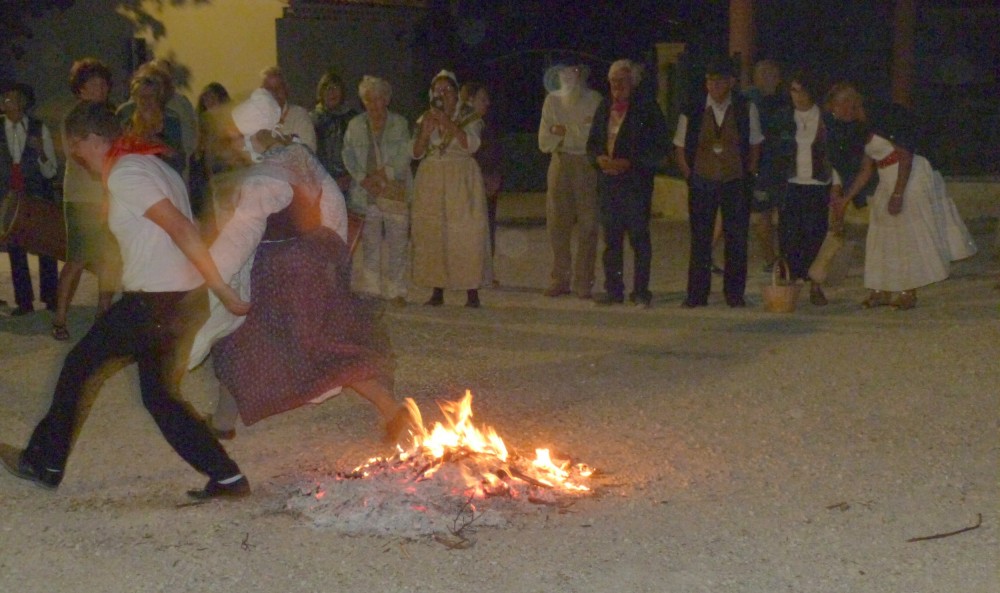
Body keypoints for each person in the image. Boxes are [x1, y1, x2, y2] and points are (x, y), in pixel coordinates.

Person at [0, 101, 251, 500]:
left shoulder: (128, 173)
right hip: (178, 298)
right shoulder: (150, 166)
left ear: (90, 139)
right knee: (160, 396)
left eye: (75, 146)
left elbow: (183, 228)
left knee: (80, 366)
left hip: (155, 302)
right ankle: (227, 477)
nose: (75, 156)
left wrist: (222, 288)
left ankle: (43, 462)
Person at [192, 89, 411, 442]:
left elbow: (239, 238)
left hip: (281, 273)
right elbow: (334, 203)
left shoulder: (263, 179)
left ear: (249, 137)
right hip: (313, 262)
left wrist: (207, 275)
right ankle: (222, 420)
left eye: (236, 138)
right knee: (269, 341)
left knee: (296, 345)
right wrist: (333, 253)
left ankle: (391, 410)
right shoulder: (299, 155)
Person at [830, 83, 976, 310]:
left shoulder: (884, 115)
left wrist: (898, 193)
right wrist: (845, 199)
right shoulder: (861, 127)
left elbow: (906, 154)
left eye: (836, 107)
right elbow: (866, 169)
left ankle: (909, 291)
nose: (835, 114)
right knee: (880, 235)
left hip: (910, 176)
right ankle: (881, 289)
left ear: (848, 102)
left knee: (908, 234)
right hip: (887, 176)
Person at [674, 56, 763, 308]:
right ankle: (696, 295)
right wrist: (689, 175)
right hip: (702, 181)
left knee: (736, 239)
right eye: (710, 81)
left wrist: (750, 173)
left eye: (719, 81)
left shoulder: (746, 108)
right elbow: (679, 145)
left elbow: (756, 143)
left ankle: (734, 295)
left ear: (731, 82)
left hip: (735, 181)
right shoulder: (692, 107)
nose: (713, 87)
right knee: (700, 240)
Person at [586, 59, 669, 308]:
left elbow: (659, 149)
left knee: (639, 240)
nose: (616, 86)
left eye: (621, 81)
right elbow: (592, 144)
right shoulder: (604, 106)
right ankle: (614, 290)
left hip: (635, 185)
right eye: (612, 81)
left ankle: (641, 291)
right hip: (608, 185)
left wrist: (630, 163)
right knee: (611, 241)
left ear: (632, 82)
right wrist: (598, 160)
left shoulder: (647, 109)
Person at [51, 58, 121, 341]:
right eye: (93, 83)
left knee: (110, 256)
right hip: (82, 196)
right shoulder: (74, 117)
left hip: (111, 194)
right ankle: (60, 318)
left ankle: (103, 311)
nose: (100, 88)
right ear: (80, 89)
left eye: (104, 83)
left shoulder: (112, 115)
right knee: (77, 258)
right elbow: (75, 154)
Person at [411, 70, 489, 308]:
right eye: (438, 90)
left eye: (447, 90)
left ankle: (471, 289)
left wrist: (449, 124)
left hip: (461, 178)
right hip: (432, 178)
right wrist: (425, 133)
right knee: (435, 233)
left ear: (456, 95)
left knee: (466, 232)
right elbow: (415, 152)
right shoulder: (425, 118)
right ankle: (437, 288)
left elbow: (472, 145)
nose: (442, 94)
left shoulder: (469, 117)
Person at [342, 75, 413, 307]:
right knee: (370, 243)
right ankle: (372, 288)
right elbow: (348, 155)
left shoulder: (400, 123)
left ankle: (397, 290)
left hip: (393, 190)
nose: (374, 104)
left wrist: (383, 175)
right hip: (366, 193)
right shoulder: (355, 125)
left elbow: (405, 153)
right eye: (368, 99)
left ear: (387, 99)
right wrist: (363, 179)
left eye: (378, 99)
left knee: (397, 242)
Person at [537, 64, 601, 299]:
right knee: (557, 223)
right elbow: (544, 140)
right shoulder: (551, 101)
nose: (568, 76)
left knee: (588, 223)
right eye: (563, 72)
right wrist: (574, 131)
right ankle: (559, 278)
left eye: (573, 71)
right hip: (560, 161)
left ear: (582, 73)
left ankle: (584, 281)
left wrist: (563, 130)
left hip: (585, 164)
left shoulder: (594, 100)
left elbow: (592, 136)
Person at [778, 70, 838, 306]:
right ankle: (790, 285)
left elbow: (834, 153)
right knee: (789, 237)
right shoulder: (783, 117)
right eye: (793, 90)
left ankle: (815, 285)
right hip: (791, 184)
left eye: (801, 91)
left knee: (816, 235)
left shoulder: (826, 119)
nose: (797, 96)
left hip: (818, 185)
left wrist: (836, 186)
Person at [1, 82, 59, 317]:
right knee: (15, 247)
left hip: (35, 195)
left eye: (11, 99)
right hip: (8, 196)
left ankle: (51, 297)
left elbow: (51, 170)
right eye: (4, 99)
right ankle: (23, 301)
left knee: (44, 245)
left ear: (23, 103)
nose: (7, 103)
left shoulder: (38, 128)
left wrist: (41, 152)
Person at [745, 59, 788, 273]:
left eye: (774, 74)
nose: (771, 79)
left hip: (776, 167)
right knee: (763, 214)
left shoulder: (780, 100)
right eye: (766, 74)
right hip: (759, 167)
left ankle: (781, 258)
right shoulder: (751, 100)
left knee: (779, 213)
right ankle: (770, 260)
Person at [462, 81, 503, 286]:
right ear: (468, 99)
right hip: (472, 181)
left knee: (488, 228)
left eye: (487, 99)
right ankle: (473, 272)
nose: (487, 103)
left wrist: (496, 176)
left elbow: (496, 154)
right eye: (482, 99)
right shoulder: (465, 124)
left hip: (488, 182)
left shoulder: (487, 123)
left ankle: (486, 271)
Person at [116, 65, 186, 175]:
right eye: (141, 96)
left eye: (150, 96)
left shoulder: (171, 121)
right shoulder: (125, 117)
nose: (146, 101)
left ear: (159, 97)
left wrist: (159, 145)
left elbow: (180, 162)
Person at [188, 82, 232, 236]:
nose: (210, 104)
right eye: (206, 100)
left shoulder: (234, 142)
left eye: (214, 99)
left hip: (229, 207)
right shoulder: (199, 146)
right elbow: (195, 183)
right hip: (208, 209)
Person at [311, 71, 358, 192]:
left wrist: (351, 177)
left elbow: (361, 153)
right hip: (322, 183)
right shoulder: (311, 120)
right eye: (327, 88)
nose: (332, 92)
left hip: (351, 183)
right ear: (321, 92)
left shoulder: (354, 120)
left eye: (336, 87)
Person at [260, 66, 317, 152]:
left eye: (279, 87)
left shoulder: (299, 115)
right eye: (269, 89)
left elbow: (310, 150)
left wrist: (284, 140)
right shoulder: (256, 118)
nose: (275, 93)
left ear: (286, 90)